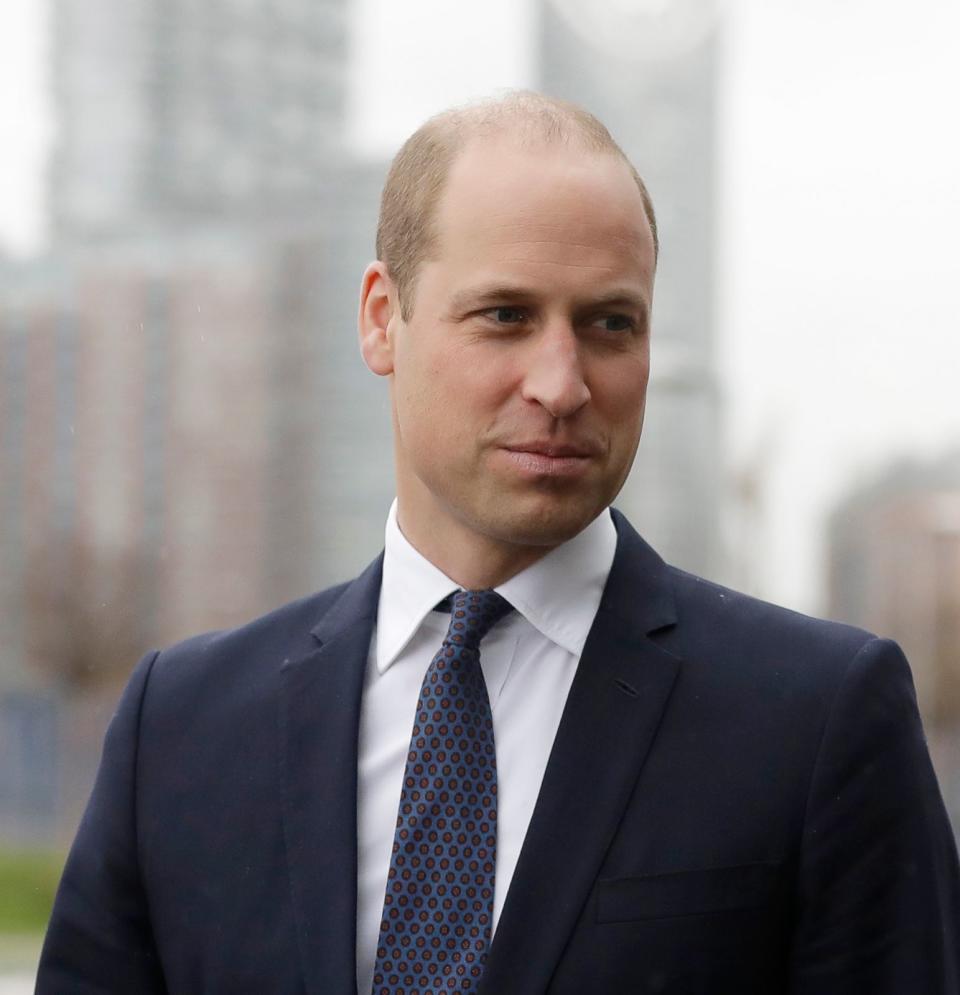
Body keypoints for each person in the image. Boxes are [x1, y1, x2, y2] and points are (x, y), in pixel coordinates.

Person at [38, 91, 960, 994]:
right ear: (379, 317)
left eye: (609, 323)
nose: (561, 383)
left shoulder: (817, 721)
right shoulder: (182, 731)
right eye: (506, 316)